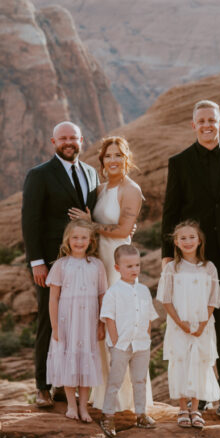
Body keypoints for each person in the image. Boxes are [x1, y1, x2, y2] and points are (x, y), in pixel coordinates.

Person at [161, 100, 220, 419]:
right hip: (191, 257)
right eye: (202, 120)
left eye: (212, 120)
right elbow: (170, 209)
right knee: (191, 322)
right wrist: (167, 256)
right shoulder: (179, 162)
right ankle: (193, 397)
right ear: (193, 125)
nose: (207, 125)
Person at [68, 136, 153, 414]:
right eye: (108, 156)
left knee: (122, 324)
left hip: (117, 262)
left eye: (118, 155)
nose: (113, 160)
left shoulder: (131, 190)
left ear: (126, 158)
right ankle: (104, 393)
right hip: (98, 261)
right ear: (102, 161)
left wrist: (91, 224)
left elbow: (122, 231)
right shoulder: (102, 188)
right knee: (100, 327)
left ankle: (125, 400)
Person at [21, 121, 100, 409]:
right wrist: (37, 262)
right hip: (51, 262)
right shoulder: (39, 175)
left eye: (73, 138)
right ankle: (42, 386)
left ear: (82, 139)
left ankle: (63, 385)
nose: (69, 142)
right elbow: (30, 220)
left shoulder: (91, 173)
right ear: (53, 142)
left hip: (83, 260)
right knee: (49, 320)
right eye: (63, 138)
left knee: (78, 322)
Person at [157, 221, 220, 429]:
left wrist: (203, 323)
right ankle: (182, 408)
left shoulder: (209, 267)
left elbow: (213, 299)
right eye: (182, 238)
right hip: (180, 324)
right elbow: (166, 299)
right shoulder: (171, 268)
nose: (188, 241)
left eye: (191, 237)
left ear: (199, 240)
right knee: (181, 361)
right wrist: (180, 322)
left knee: (200, 362)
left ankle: (195, 408)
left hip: (203, 323)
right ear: (176, 243)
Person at [45, 219, 107, 422]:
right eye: (75, 238)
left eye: (83, 238)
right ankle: (71, 405)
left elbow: (101, 296)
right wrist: (55, 326)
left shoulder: (97, 265)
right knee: (69, 359)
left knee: (86, 359)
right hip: (67, 320)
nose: (79, 242)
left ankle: (84, 407)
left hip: (88, 320)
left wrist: (101, 323)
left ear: (90, 241)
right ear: (67, 240)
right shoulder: (61, 265)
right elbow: (53, 297)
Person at [97, 244, 160, 438]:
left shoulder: (143, 290)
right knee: (115, 381)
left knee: (139, 380)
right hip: (121, 345)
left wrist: (147, 336)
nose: (134, 270)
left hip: (141, 344)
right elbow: (109, 318)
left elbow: (149, 315)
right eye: (129, 266)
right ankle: (108, 415)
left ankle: (140, 414)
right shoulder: (113, 292)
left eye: (137, 265)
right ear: (117, 268)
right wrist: (115, 342)